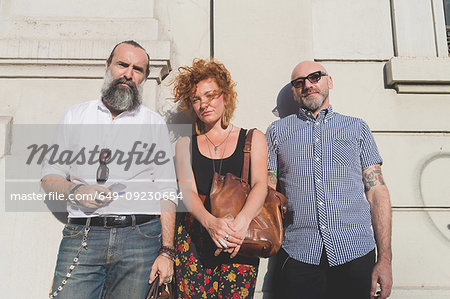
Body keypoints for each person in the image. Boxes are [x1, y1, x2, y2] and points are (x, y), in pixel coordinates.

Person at [41, 40, 177, 299]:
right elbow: (49, 176)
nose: (128, 74)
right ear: (107, 66)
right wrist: (76, 191)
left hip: (140, 239)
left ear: (144, 78)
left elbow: (167, 190)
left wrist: (166, 252)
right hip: (82, 233)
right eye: (122, 64)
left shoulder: (153, 123)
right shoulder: (76, 116)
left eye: (137, 69)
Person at [266, 61, 393, 299]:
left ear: (329, 81)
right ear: (294, 92)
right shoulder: (277, 132)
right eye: (299, 82)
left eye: (315, 77)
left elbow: (377, 194)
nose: (308, 85)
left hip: (356, 252)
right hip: (299, 254)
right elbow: (266, 190)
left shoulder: (357, 128)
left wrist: (385, 259)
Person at [171, 58, 268, 298]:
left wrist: (242, 223)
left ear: (225, 96)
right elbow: (187, 192)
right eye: (196, 99)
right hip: (194, 238)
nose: (204, 103)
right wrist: (210, 223)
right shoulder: (184, 144)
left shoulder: (253, 138)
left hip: (239, 237)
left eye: (210, 95)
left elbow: (260, 185)